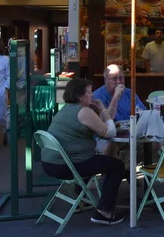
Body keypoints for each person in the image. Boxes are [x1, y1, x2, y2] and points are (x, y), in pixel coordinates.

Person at [40, 79, 125, 225]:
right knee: (116, 166)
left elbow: (97, 129)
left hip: (51, 162)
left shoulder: (66, 109)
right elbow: (109, 133)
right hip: (65, 165)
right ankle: (104, 212)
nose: (92, 95)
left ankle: (79, 201)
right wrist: (103, 108)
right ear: (80, 96)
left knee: (92, 161)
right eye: (89, 92)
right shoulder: (84, 111)